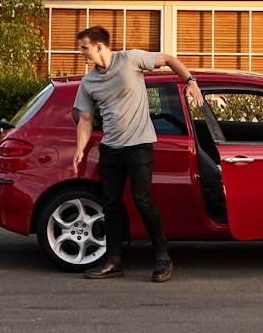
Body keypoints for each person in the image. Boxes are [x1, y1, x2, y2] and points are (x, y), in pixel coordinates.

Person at [71, 25, 203, 283]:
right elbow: (85, 119)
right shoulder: (88, 82)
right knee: (110, 206)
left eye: (84, 48)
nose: (82, 53)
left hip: (138, 146)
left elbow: (167, 59)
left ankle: (162, 257)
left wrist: (191, 81)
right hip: (111, 149)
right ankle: (113, 261)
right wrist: (79, 148)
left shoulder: (131, 59)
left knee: (143, 201)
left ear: (99, 46)